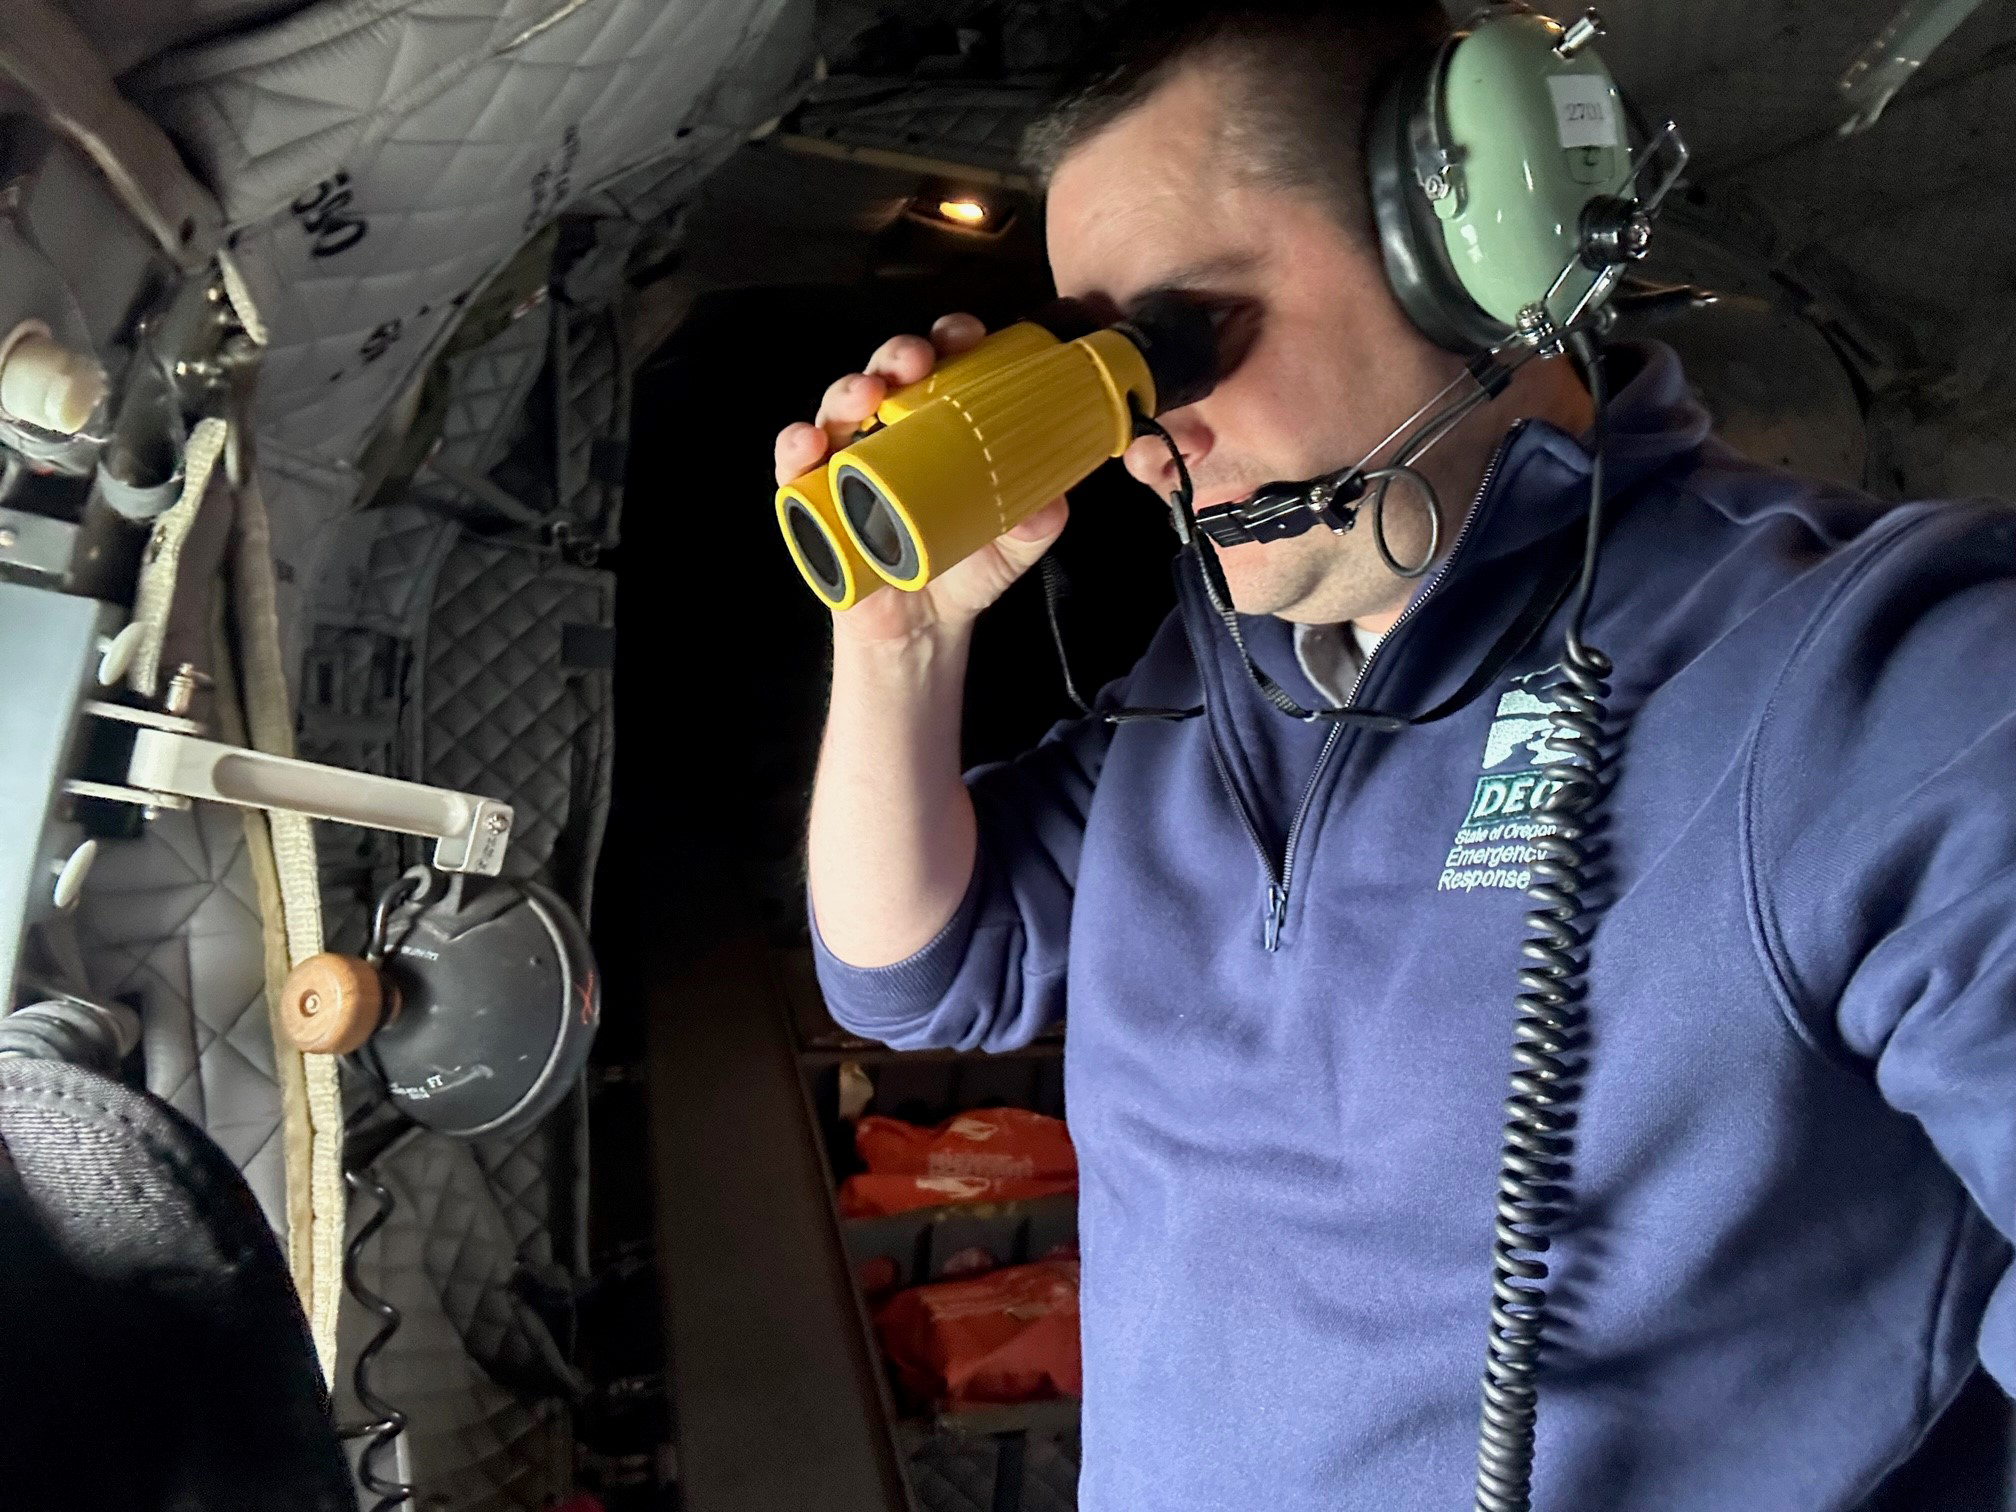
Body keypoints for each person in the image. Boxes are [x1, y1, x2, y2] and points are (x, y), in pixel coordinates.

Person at [770, 3, 2016, 1508]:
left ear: (1476, 247)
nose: (1145, 436)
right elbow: (909, 970)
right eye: (1097, 368)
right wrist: (898, 636)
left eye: (1178, 336)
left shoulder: (1882, 670)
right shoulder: (1211, 689)